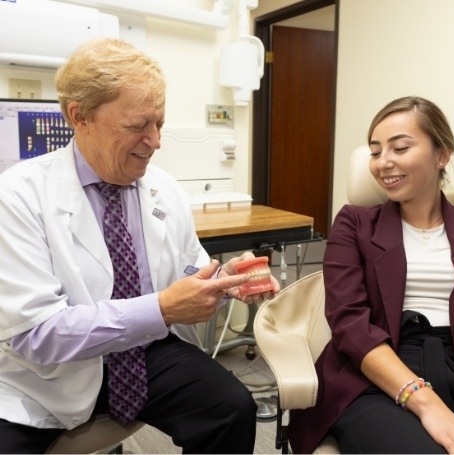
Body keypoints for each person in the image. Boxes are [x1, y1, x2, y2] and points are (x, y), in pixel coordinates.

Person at [0, 38, 280, 454]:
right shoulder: (18, 196)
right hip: (44, 377)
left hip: (142, 351)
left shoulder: (164, 189)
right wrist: (162, 308)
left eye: (159, 124)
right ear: (80, 117)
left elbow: (189, 270)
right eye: (138, 126)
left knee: (230, 408)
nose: (155, 141)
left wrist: (221, 281)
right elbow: (37, 334)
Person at [288, 96, 454, 454]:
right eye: (376, 151)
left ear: (441, 155)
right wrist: (426, 403)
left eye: (399, 148)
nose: (384, 163)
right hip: (380, 369)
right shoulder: (354, 224)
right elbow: (350, 324)